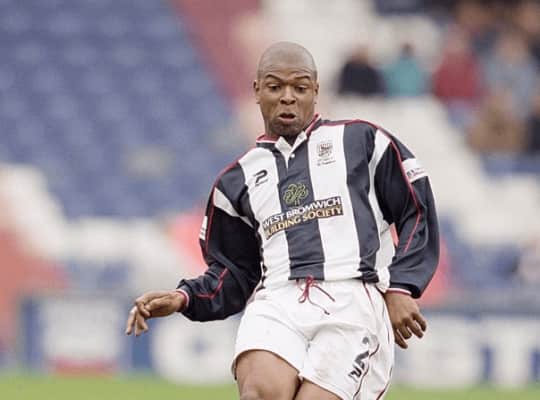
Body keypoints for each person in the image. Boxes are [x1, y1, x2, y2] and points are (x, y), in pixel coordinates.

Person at [125, 42, 439, 400]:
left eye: (300, 87)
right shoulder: (235, 182)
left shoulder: (362, 141)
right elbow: (233, 272)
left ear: (315, 91)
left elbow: (417, 208)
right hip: (277, 300)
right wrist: (184, 297)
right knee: (259, 393)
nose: (288, 97)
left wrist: (401, 287)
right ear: (257, 90)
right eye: (275, 87)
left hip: (352, 299)